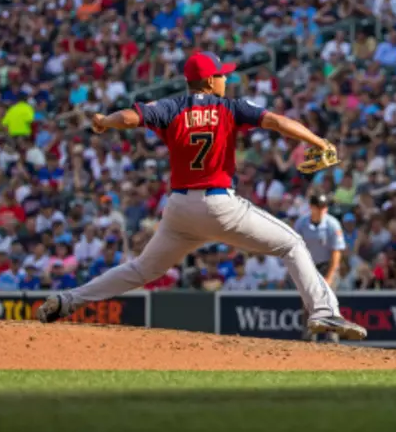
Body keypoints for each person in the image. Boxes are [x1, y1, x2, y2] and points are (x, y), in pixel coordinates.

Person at [37, 52, 367, 341]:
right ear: (209, 81)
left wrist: (103, 122)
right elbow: (278, 121)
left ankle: (68, 301)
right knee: (292, 244)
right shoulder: (231, 108)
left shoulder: (171, 107)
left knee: (142, 270)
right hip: (219, 203)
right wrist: (319, 142)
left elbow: (128, 117)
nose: (226, 78)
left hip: (179, 208)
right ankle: (324, 311)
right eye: (222, 74)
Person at [295, 193, 346, 342]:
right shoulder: (302, 223)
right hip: (309, 266)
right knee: (308, 302)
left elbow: (336, 253)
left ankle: (332, 338)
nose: (322, 210)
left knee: (329, 301)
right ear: (311, 207)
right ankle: (309, 337)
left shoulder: (332, 224)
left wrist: (329, 277)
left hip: (327, 264)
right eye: (319, 207)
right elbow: (296, 249)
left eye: (324, 207)